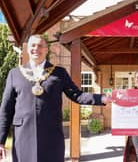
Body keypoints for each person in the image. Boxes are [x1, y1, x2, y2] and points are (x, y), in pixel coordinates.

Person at [0, 34, 112, 162]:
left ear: (46, 50)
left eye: (40, 46)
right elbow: (6, 110)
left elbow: (77, 95)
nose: (36, 49)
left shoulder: (59, 73)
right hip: (23, 135)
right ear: (27, 49)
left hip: (51, 134)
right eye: (33, 45)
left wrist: (102, 98)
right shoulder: (15, 74)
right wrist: (1, 141)